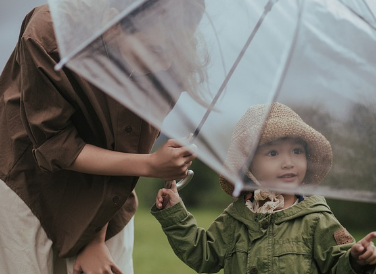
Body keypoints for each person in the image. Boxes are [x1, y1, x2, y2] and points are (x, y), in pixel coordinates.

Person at [0, 0, 205, 273]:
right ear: (114, 25)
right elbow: (53, 144)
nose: (166, 62)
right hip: (29, 176)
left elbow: (129, 145)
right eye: (156, 49)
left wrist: (96, 237)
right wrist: (152, 165)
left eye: (176, 49)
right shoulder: (49, 33)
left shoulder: (174, 59)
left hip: (112, 185)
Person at [151, 102, 376, 274]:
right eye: (273, 153)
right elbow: (203, 254)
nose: (288, 162)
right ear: (248, 166)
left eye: (297, 151)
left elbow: (337, 264)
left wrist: (355, 260)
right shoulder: (236, 218)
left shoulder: (316, 218)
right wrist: (175, 213)